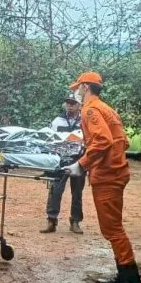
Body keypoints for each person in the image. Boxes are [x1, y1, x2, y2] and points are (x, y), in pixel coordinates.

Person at [63, 71, 141, 283]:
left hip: (108, 175)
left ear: (86, 87)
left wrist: (82, 164)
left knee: (113, 229)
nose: (76, 92)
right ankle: (124, 275)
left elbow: (103, 140)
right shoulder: (106, 109)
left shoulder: (90, 110)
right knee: (112, 228)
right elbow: (122, 141)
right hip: (115, 171)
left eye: (78, 88)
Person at [42, 95, 85, 235]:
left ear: (79, 105)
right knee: (55, 190)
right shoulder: (57, 121)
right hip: (60, 160)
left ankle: (75, 222)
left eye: (73, 103)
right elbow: (49, 139)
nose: (70, 106)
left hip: (79, 160)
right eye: (68, 103)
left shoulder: (85, 120)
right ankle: (51, 220)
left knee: (77, 192)